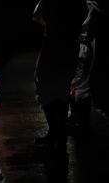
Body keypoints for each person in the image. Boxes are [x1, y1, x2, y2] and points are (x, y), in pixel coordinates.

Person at [32, 0, 85, 149]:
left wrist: (53, 24)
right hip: (69, 45)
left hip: (55, 45)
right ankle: (58, 131)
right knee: (62, 86)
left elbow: (38, 16)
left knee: (46, 85)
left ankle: (56, 131)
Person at [67, 0, 103, 139]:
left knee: (81, 85)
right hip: (81, 45)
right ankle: (78, 119)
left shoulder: (93, 8)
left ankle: (82, 122)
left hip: (84, 46)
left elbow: (87, 27)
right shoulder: (88, 7)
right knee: (75, 84)